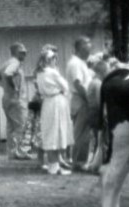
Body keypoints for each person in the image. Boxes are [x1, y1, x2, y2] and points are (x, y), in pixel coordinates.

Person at [35, 48, 73, 176]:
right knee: (57, 131)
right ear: (49, 60)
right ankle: (54, 166)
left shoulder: (39, 73)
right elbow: (65, 86)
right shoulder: (52, 72)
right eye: (54, 59)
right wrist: (62, 91)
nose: (56, 61)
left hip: (47, 103)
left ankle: (53, 165)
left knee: (51, 131)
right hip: (56, 102)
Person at [0, 42, 32, 160]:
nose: (24, 55)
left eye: (25, 53)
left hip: (7, 98)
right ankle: (21, 152)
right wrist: (14, 87)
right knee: (21, 125)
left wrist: (5, 87)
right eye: (21, 52)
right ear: (15, 52)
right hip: (17, 99)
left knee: (10, 126)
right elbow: (8, 74)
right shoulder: (15, 63)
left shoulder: (7, 63)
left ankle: (12, 152)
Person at [66, 36, 93, 169]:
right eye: (86, 47)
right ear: (79, 48)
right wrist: (89, 99)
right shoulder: (75, 63)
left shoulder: (81, 62)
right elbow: (78, 84)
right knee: (80, 132)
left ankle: (80, 160)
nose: (89, 50)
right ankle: (76, 161)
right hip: (81, 99)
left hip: (82, 98)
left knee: (85, 132)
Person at [82, 52, 110, 174]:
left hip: (91, 113)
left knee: (94, 141)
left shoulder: (92, 82)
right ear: (102, 72)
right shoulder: (98, 84)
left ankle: (91, 163)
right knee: (99, 141)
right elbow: (100, 102)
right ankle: (95, 165)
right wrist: (105, 114)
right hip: (97, 115)